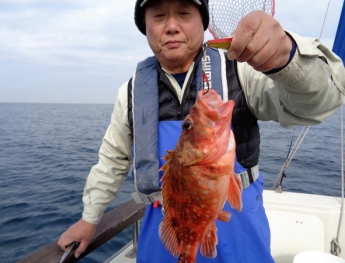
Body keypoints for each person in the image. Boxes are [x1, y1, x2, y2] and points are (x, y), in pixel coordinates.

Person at [58, 0, 345, 262]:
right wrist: (89, 218)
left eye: (184, 13)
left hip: (240, 237)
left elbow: (317, 104)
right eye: (158, 16)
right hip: (166, 232)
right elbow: (112, 161)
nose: (171, 26)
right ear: (145, 27)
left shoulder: (243, 70)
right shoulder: (131, 93)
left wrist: (287, 59)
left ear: (203, 22)